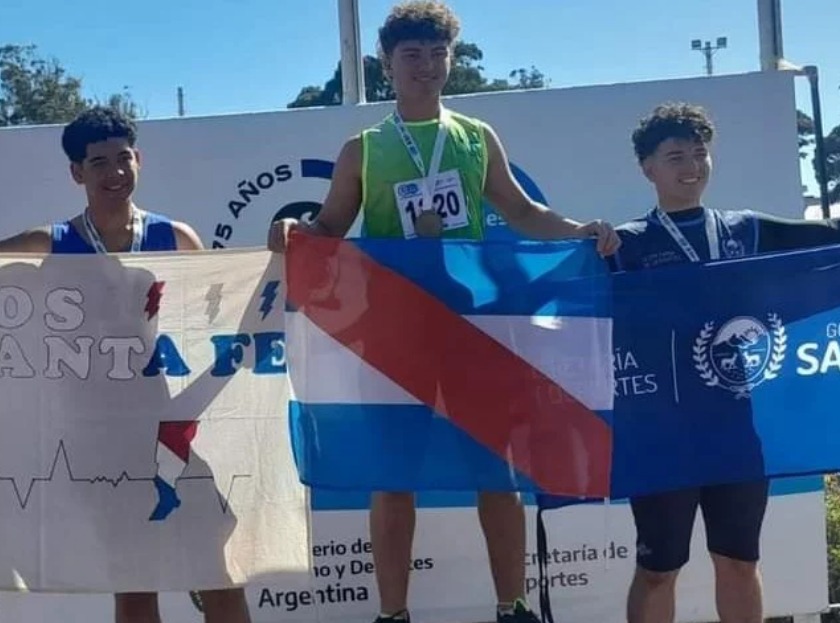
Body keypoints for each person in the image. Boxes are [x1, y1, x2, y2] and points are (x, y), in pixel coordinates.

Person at [267, 3, 620, 622]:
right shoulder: (363, 148)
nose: (426, 67)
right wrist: (295, 231)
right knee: (392, 477)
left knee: (497, 471)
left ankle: (512, 606)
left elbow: (522, 213)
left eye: (437, 55)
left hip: (472, 328)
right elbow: (329, 226)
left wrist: (578, 231)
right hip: (392, 331)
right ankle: (393, 613)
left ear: (450, 60)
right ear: (387, 62)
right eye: (412, 55)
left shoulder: (476, 136)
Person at [0, 106, 251, 623]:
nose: (115, 172)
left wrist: (284, 254)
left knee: (220, 568)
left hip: (166, 425)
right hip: (95, 435)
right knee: (134, 582)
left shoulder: (175, 237)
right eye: (99, 163)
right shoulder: (51, 243)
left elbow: (220, 313)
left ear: (139, 160)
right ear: (77, 173)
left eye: (124, 158)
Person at [614, 102, 840, 623]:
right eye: (675, 156)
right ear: (648, 168)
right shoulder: (624, 244)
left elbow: (827, 237)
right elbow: (553, 287)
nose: (692, 166)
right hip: (659, 435)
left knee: (739, 562)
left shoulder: (745, 229)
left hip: (735, 430)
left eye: (700, 153)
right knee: (658, 570)